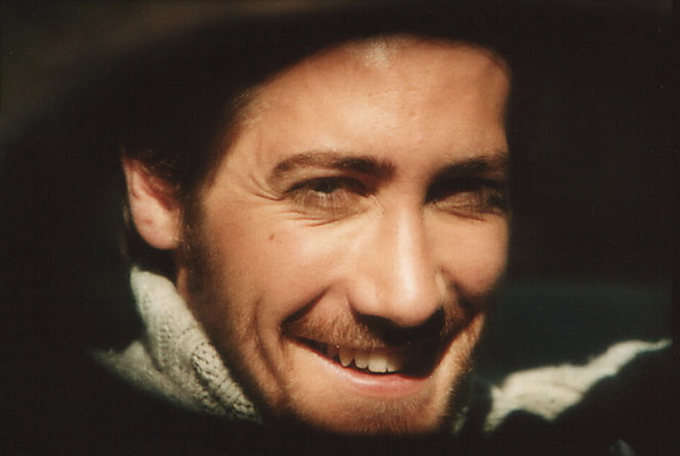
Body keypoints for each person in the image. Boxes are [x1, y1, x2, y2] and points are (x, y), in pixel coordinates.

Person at [1, 4, 673, 455]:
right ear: (157, 193)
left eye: (466, 194)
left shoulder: (595, 419)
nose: (409, 299)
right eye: (324, 190)